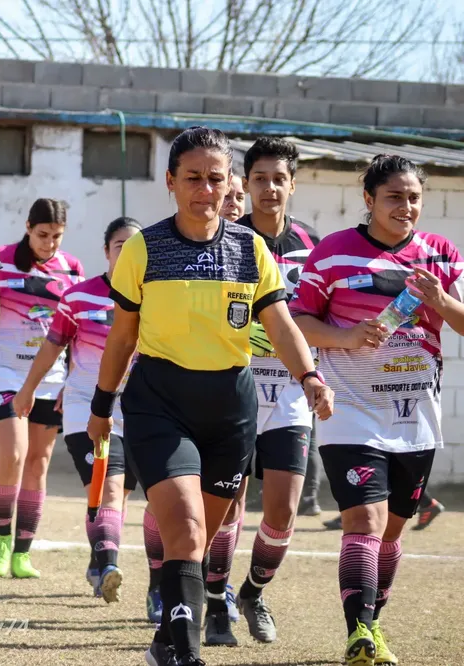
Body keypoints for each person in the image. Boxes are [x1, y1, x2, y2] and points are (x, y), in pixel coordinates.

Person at [88, 126, 333, 666]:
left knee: (198, 541)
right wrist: (102, 406)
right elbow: (122, 337)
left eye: (215, 179)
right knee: (187, 526)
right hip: (160, 402)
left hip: (230, 408)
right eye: (193, 178)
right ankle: (189, 656)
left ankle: (163, 645)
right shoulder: (144, 249)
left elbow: (282, 322)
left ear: (231, 185)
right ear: (171, 181)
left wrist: (310, 377)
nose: (204, 189)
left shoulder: (251, 250)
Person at [290, 154, 463, 666]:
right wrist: (343, 336)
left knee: (390, 531)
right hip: (351, 412)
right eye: (394, 196)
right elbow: (298, 321)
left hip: (415, 418)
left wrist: (442, 300)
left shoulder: (441, 253)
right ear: (369, 199)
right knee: (363, 520)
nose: (406, 206)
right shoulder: (332, 253)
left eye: (413, 197)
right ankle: (359, 635)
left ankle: (374, 626)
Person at [204, 137, 322, 647]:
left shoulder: (316, 246)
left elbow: (319, 316)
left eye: (279, 179)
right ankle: (214, 603)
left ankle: (252, 592)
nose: (269, 188)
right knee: (228, 505)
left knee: (282, 510)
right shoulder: (224, 239)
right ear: (244, 185)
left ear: (292, 185)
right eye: (259, 179)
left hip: (292, 393)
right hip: (234, 387)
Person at [16, 216, 140, 602]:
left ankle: (98, 557)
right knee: (107, 487)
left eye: (135, 247)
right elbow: (53, 346)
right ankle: (109, 565)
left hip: (138, 411)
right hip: (85, 408)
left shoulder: (155, 299)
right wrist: (28, 389)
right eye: (120, 245)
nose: (127, 253)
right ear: (106, 251)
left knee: (119, 495)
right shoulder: (79, 296)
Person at [0, 198, 83, 579]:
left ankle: (23, 552)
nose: (49, 244)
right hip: (5, 374)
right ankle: (1, 537)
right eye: (43, 235)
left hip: (52, 378)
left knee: (39, 462)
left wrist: (71, 379)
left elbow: (74, 330)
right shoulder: (1, 260)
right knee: (14, 454)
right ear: (27, 227)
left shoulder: (71, 268)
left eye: (57, 236)